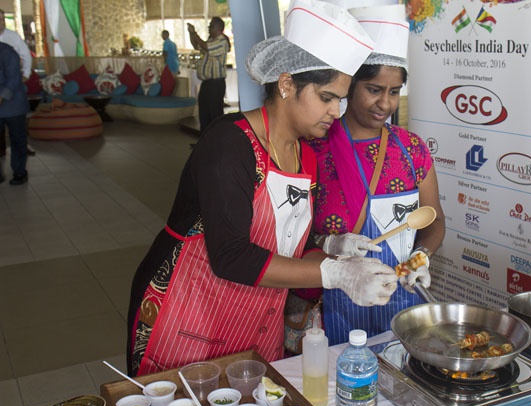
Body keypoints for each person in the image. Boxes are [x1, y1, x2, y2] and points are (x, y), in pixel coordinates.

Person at [126, 0, 396, 376]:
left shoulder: (306, 156)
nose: (336, 112)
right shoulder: (228, 144)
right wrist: (334, 275)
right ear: (287, 84)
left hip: (257, 323)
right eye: (326, 97)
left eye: (341, 99)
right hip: (191, 316)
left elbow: (287, 248)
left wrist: (332, 249)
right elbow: (231, 255)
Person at [305, 5, 446, 345]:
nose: (385, 103)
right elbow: (292, 237)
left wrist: (421, 254)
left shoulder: (411, 150)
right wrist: (328, 243)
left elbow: (434, 220)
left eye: (394, 92)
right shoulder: (315, 149)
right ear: (349, 86)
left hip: (403, 300)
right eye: (373, 89)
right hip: (332, 306)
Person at [0, 9, 34, 158]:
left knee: (17, 135)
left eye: (2, 19)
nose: (0, 23)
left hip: (12, 94)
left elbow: (26, 55)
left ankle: (19, 171)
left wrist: (26, 74)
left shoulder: (11, 37)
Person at [187, 17, 230, 133]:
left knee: (215, 114)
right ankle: (205, 142)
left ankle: (216, 142)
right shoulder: (211, 40)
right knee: (204, 113)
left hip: (216, 84)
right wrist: (191, 33)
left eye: (210, 26)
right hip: (207, 83)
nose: (209, 29)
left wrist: (194, 33)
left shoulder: (222, 41)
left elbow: (206, 47)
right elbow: (197, 46)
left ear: (218, 28)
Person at [0, 41, 29, 185]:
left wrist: (2, 97)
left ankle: (19, 173)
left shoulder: (7, 52)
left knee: (17, 140)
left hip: (13, 106)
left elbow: (13, 79)